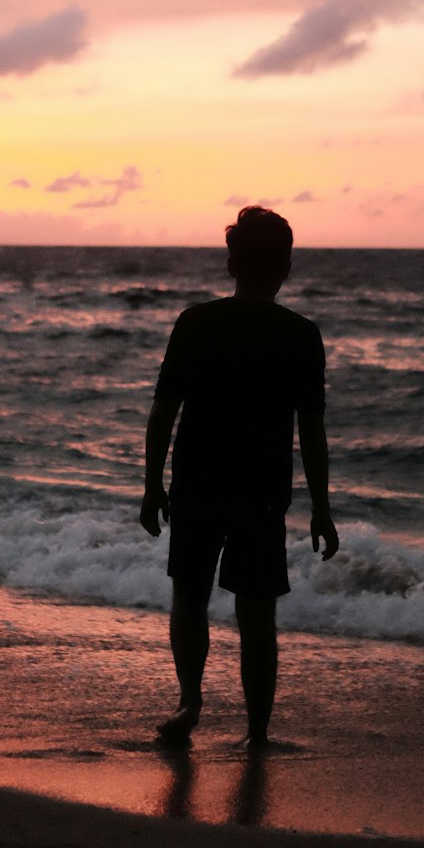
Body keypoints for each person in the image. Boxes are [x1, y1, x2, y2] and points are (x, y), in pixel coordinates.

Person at [139, 206, 339, 749]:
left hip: (199, 479)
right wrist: (321, 507)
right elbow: (312, 432)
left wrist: (152, 483)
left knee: (190, 596)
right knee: (256, 611)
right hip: (261, 488)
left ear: (231, 263)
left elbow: (163, 412)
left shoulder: (196, 322)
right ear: (287, 268)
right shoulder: (301, 334)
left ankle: (189, 702)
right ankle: (256, 732)